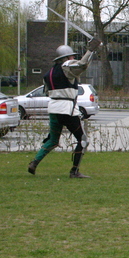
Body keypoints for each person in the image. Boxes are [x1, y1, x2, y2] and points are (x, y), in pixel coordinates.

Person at [28, 38, 102, 178]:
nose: (73, 58)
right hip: (67, 109)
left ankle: (35, 162)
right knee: (82, 140)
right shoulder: (67, 66)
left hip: (53, 109)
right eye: (71, 56)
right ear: (66, 57)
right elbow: (82, 65)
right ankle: (74, 171)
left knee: (53, 140)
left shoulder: (48, 73)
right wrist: (90, 50)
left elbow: (46, 91)